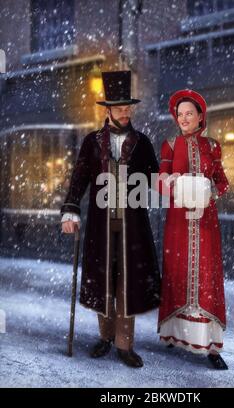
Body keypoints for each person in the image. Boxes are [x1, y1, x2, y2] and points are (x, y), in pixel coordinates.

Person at [61, 70, 160, 368]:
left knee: (126, 284)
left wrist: (169, 186)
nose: (126, 112)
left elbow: (154, 182)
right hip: (101, 227)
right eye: (120, 107)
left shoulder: (142, 143)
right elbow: (79, 180)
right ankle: (105, 337)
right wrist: (70, 209)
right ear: (108, 110)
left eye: (128, 107)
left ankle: (124, 344)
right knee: (103, 280)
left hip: (133, 227)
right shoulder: (92, 142)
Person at [157, 89, 230, 369]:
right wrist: (171, 179)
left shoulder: (212, 146)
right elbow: (159, 182)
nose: (184, 118)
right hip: (178, 220)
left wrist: (210, 187)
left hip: (206, 221)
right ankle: (177, 336)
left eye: (190, 114)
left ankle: (210, 346)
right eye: (180, 114)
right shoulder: (170, 145)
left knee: (206, 275)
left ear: (201, 116)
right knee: (179, 271)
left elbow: (222, 181)